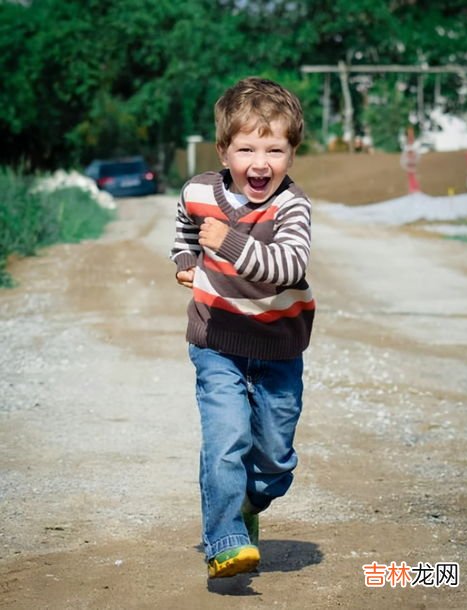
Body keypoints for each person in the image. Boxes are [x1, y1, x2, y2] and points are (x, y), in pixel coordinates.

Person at [170, 76, 315, 579]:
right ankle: (225, 538)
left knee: (275, 461)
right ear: (223, 151)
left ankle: (249, 502)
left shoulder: (292, 207)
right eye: (246, 148)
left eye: (274, 149)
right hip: (217, 342)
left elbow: (289, 266)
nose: (260, 162)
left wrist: (228, 243)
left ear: (291, 154)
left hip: (278, 347)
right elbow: (186, 227)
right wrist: (186, 258)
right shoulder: (199, 191)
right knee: (225, 438)